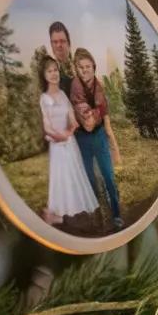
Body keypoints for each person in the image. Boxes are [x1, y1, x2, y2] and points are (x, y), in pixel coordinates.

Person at [47, 23, 124, 230]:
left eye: (88, 66)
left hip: (97, 137)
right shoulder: (69, 82)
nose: (84, 70)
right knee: (89, 180)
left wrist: (113, 142)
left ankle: (115, 214)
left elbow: (101, 115)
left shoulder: (97, 86)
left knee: (108, 177)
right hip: (80, 138)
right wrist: (95, 114)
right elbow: (87, 120)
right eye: (55, 42)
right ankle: (99, 217)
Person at [38, 56, 98, 225]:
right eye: (49, 71)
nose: (54, 74)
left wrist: (69, 131)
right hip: (57, 144)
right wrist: (60, 136)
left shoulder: (63, 94)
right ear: (44, 75)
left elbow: (72, 119)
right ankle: (59, 213)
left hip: (70, 142)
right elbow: (47, 126)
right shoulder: (44, 98)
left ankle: (78, 212)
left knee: (74, 174)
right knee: (61, 176)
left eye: (55, 70)